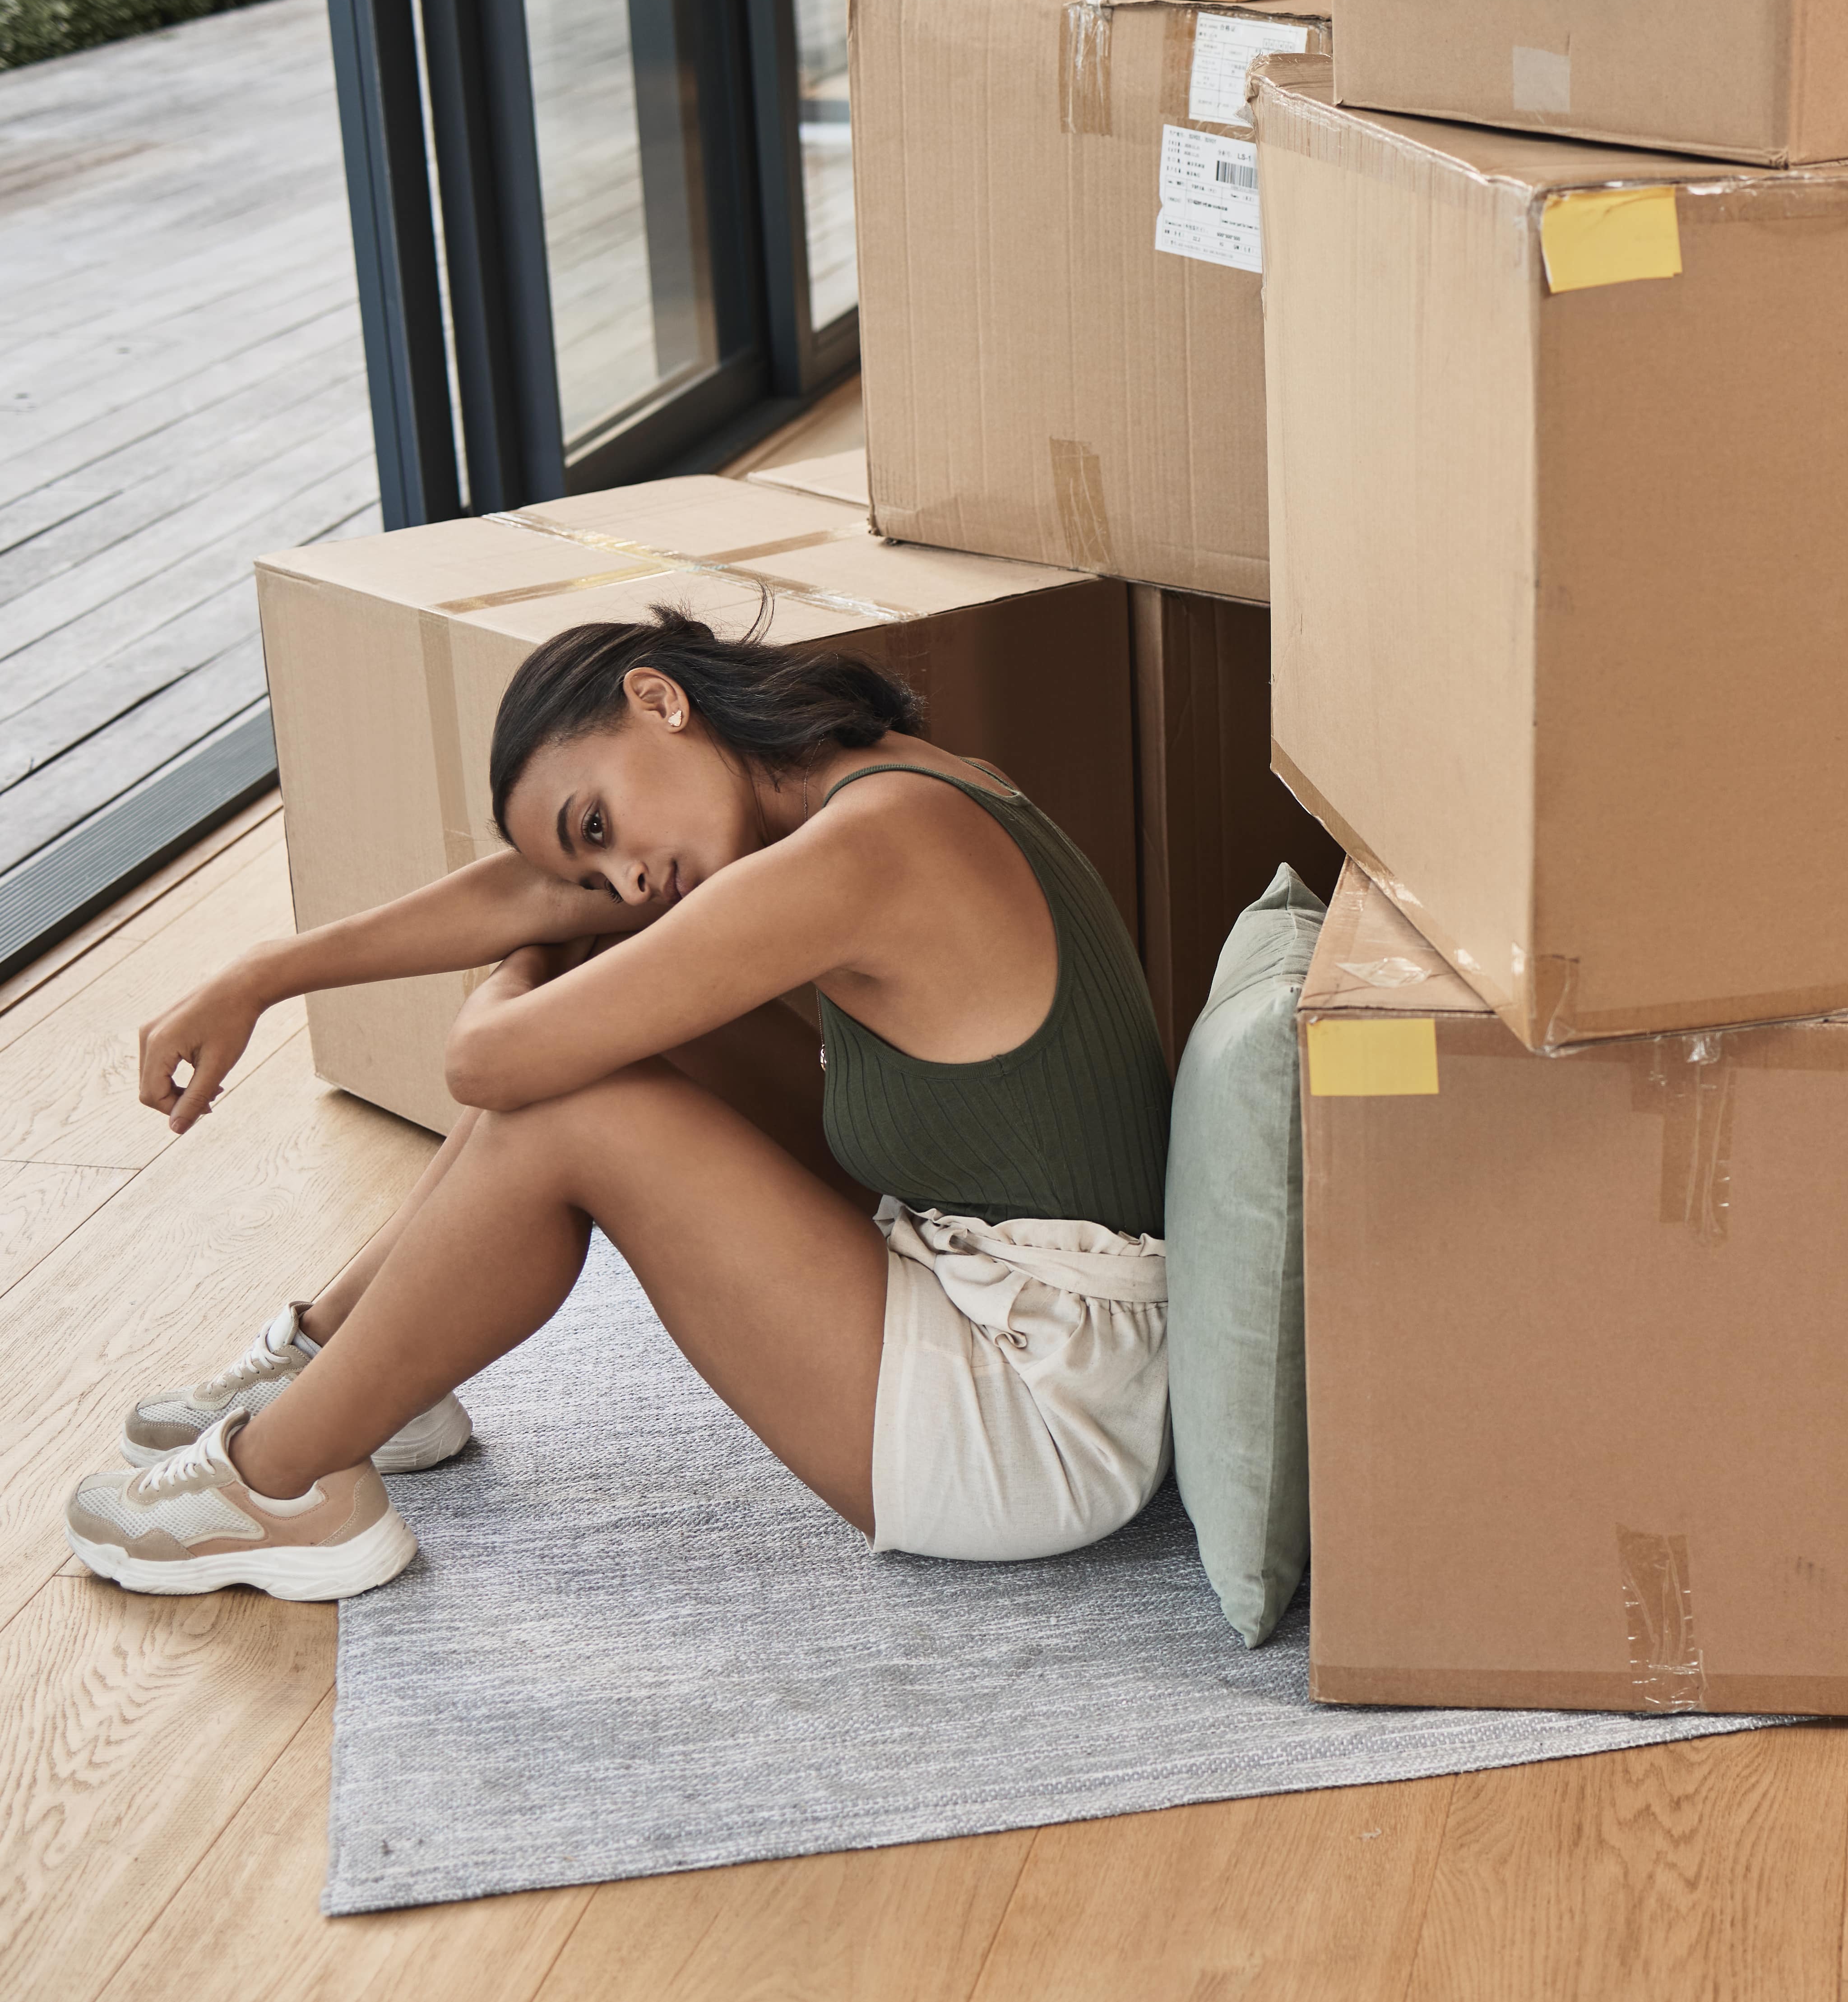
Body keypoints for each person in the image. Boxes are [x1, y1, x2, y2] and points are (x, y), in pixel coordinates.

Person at [67, 610, 1174, 1599]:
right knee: (626, 1033)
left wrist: (541, 955)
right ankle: (346, 1364)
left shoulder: (866, 851)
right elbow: (530, 890)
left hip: (1043, 1426)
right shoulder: (872, 787)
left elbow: (487, 1064)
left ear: (660, 698)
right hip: (1025, 1302)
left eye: (598, 826)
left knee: (566, 1107)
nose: (631, 880)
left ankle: (276, 1483)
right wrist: (265, 971)